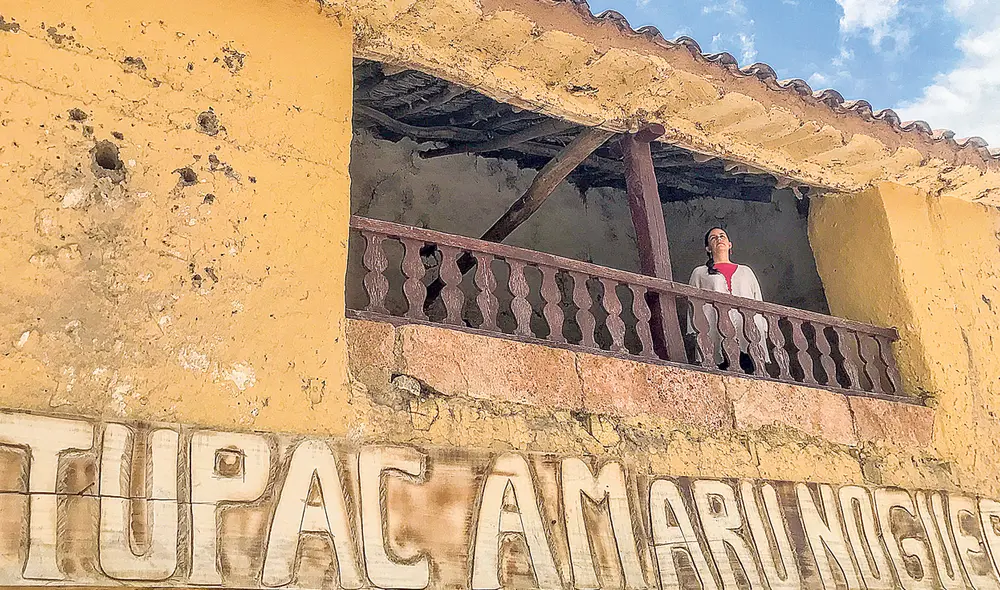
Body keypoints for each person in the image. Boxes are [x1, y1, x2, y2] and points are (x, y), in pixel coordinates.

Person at [687, 227, 769, 371]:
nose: (719, 239)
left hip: (746, 332)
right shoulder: (700, 273)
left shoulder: (746, 271)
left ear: (730, 244)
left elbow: (758, 301)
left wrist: (762, 327)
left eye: (722, 236)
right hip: (716, 331)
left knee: (751, 370)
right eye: (713, 238)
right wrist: (697, 330)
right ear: (708, 248)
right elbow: (693, 304)